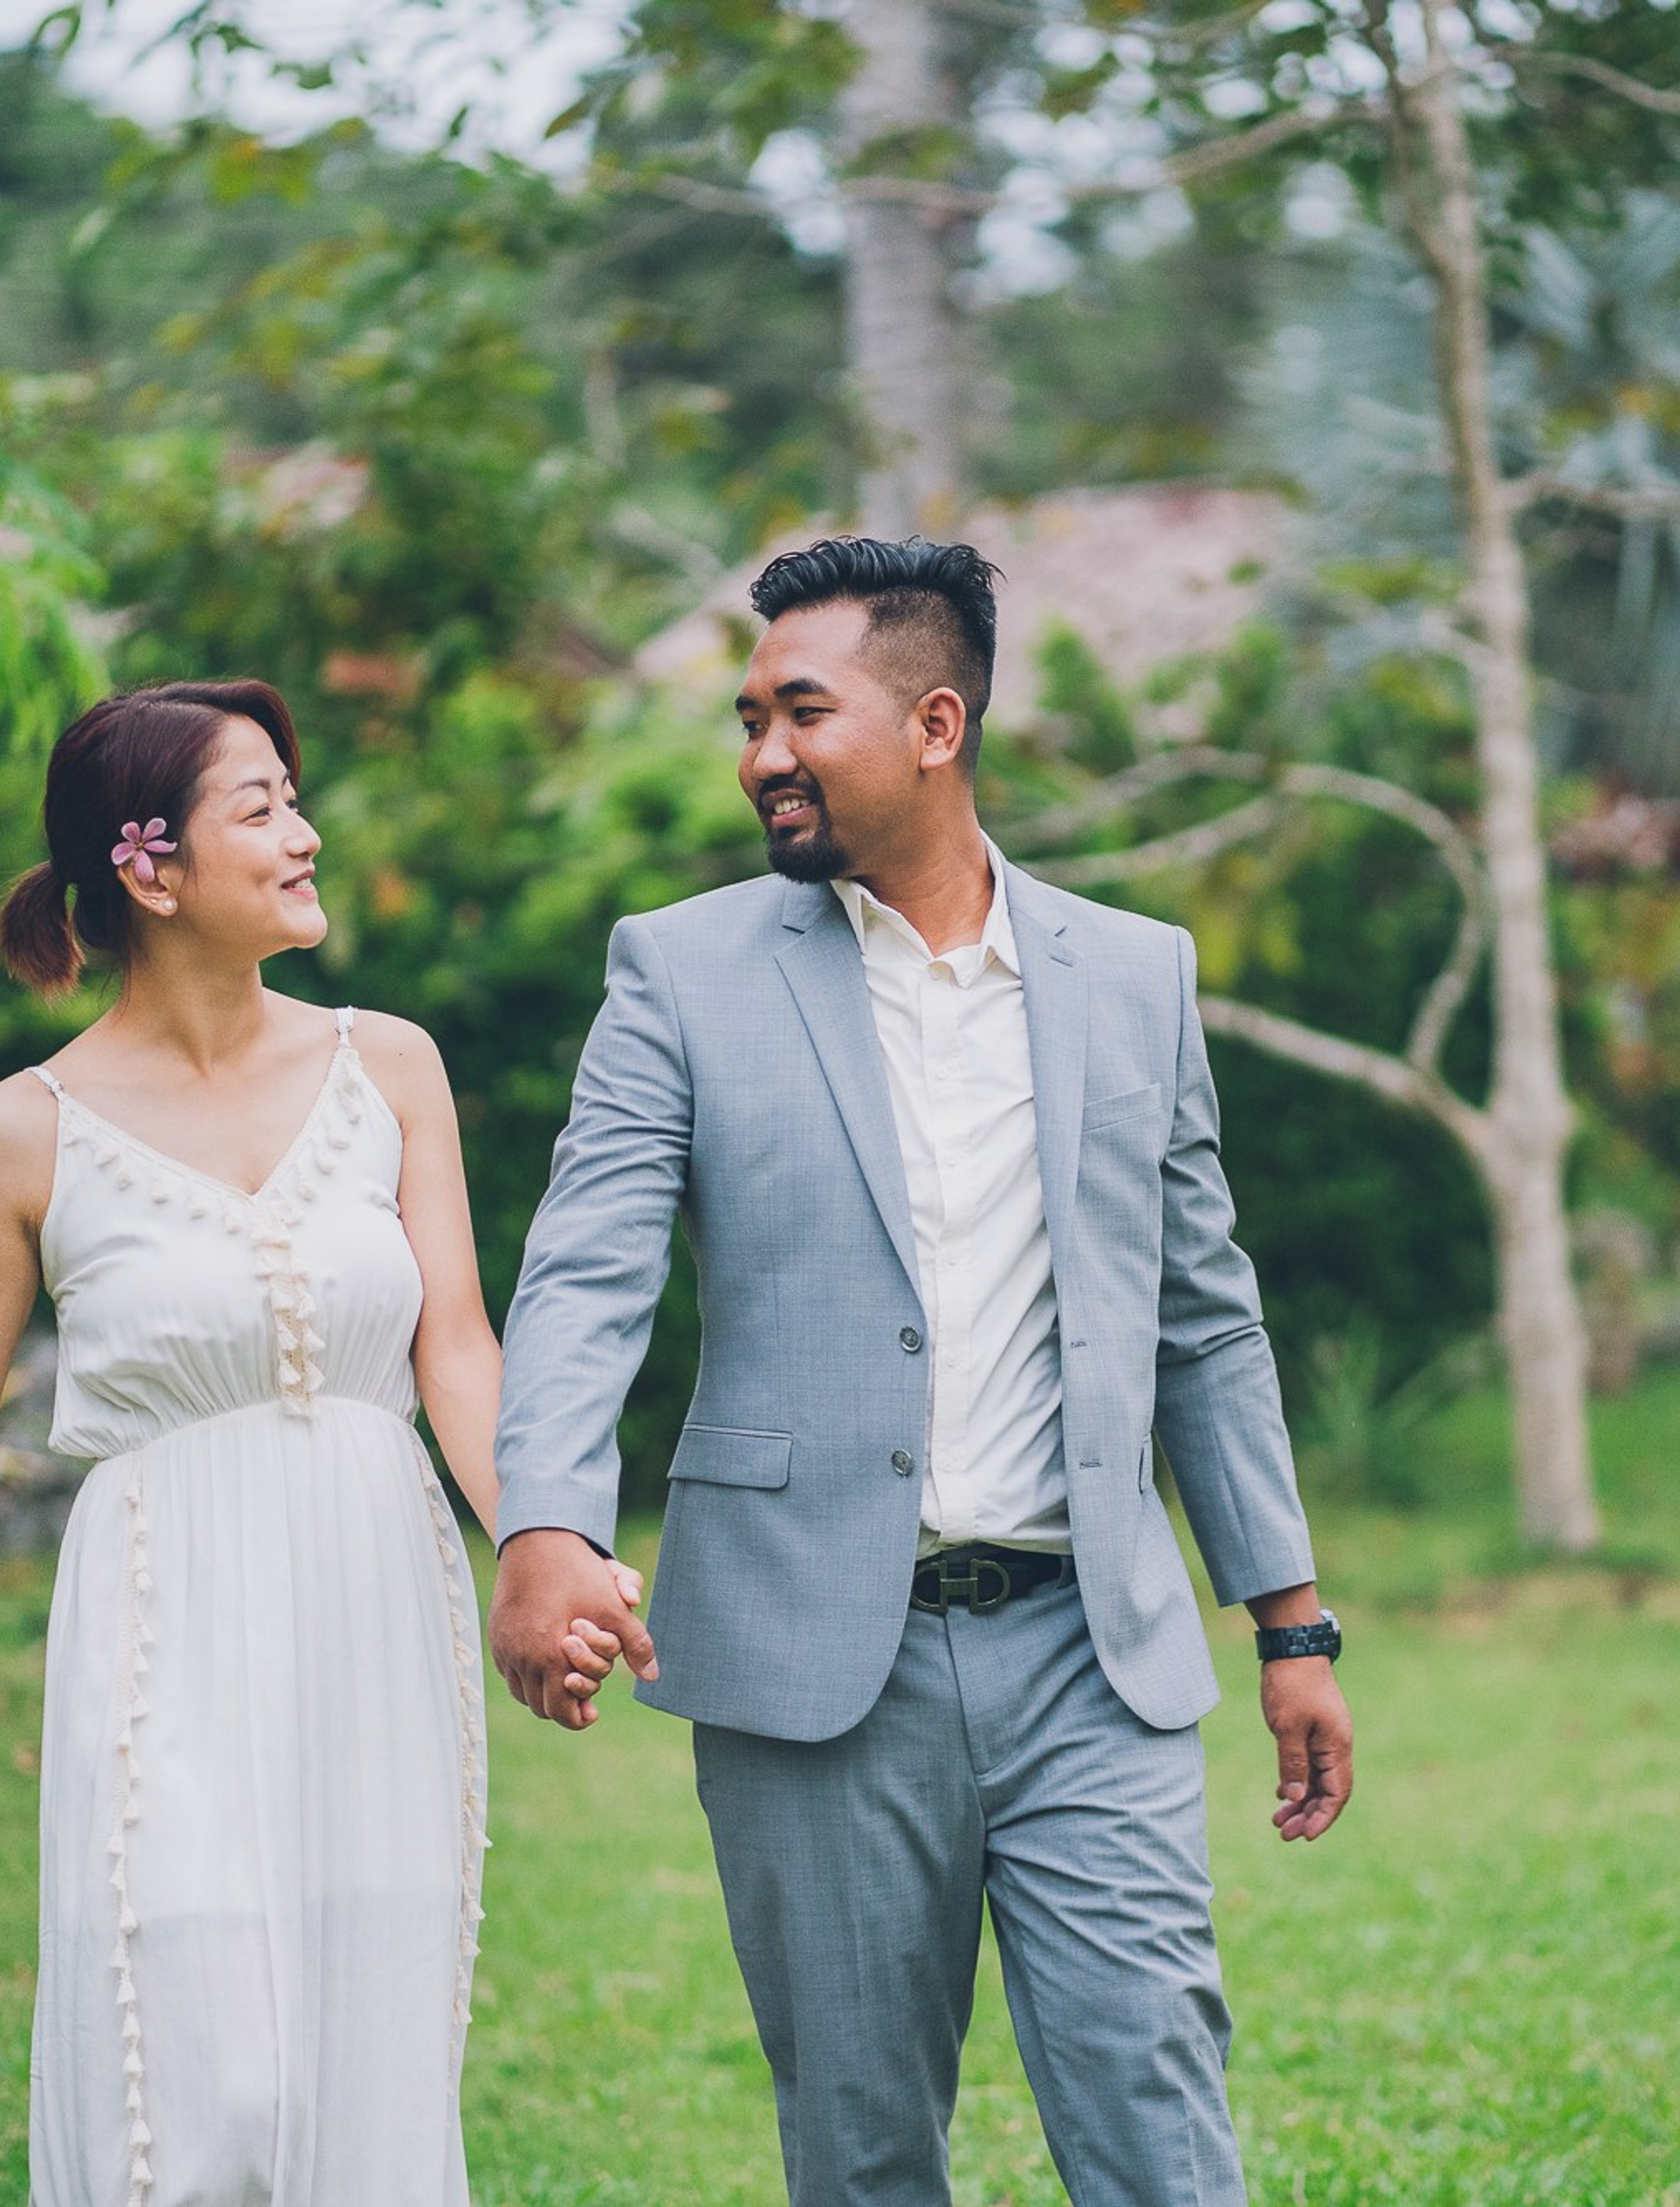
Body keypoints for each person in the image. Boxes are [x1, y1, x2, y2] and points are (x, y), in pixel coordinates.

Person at [490, 538, 1355, 2204]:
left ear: (936, 722)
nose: (760, 755)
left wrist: (1291, 1618)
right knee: (864, 2143)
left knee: (1157, 2108)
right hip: (813, 1664)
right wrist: (543, 1521)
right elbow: (587, 1264)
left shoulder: (1134, 974)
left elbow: (1205, 1314)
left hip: (1089, 1655)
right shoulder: (678, 971)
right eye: (748, 718)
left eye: (800, 711)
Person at [0, 679, 617, 2207]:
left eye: (294, 798)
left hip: (376, 1604)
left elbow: (454, 1342)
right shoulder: (19, 1134)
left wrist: (546, 1542)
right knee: (196, 2084)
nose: (307, 834)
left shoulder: (391, 1066)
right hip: (160, 1616)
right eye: (262, 807)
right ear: (150, 867)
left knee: (367, 2057)